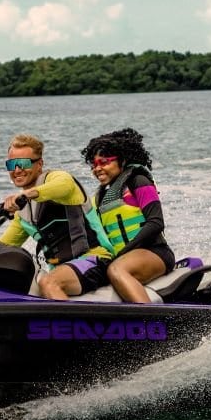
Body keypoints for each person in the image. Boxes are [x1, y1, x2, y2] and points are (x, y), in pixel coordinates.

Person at [0, 134, 112, 300]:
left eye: (24, 163)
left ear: (39, 164)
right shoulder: (22, 212)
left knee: (48, 283)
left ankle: (73, 325)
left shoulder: (57, 179)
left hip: (95, 260)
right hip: (62, 269)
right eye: (12, 164)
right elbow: (4, 247)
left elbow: (63, 186)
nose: (17, 170)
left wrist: (27, 194)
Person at [80, 127, 175, 303]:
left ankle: (150, 319)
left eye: (104, 162)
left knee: (116, 270)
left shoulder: (139, 181)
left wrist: (125, 251)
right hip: (123, 257)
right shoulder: (100, 197)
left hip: (154, 252)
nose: (97, 169)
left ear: (122, 160)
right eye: (94, 165)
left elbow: (156, 222)